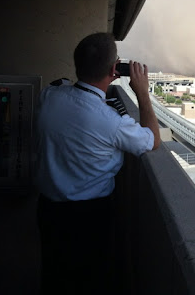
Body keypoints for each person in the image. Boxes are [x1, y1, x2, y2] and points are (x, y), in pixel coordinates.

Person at [35, 32, 161, 294]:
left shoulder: (50, 97)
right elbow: (152, 140)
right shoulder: (110, 121)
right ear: (115, 70)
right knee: (90, 280)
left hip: (48, 211)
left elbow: (62, 87)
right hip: (90, 218)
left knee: (53, 275)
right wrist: (143, 94)